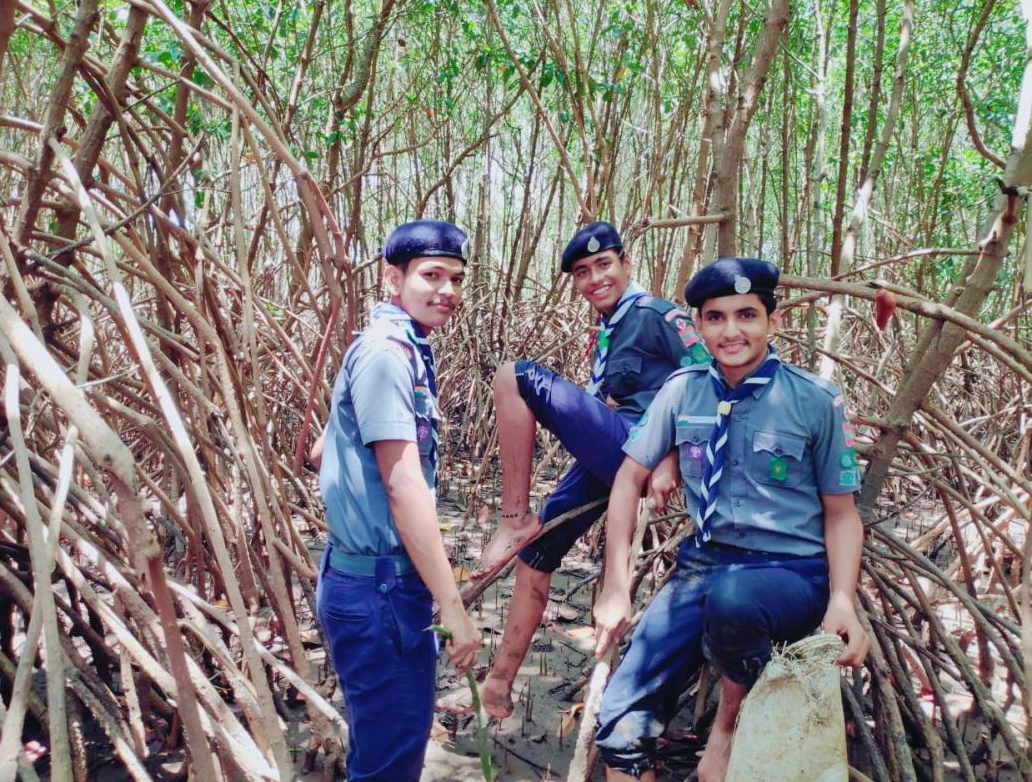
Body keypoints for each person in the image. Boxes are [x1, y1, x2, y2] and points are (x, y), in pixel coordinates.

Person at [592, 257, 871, 782]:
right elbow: (628, 480)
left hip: (791, 570)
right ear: (698, 326)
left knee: (734, 601)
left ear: (773, 320)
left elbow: (841, 514)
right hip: (704, 562)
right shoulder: (683, 389)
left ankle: (726, 731)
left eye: (747, 314)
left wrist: (842, 601)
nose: (731, 331)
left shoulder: (814, 400)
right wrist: (614, 587)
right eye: (716, 318)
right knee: (621, 715)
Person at [474, 221, 705, 719]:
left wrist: (672, 458)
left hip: (636, 449)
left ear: (625, 263)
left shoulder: (656, 314)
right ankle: (499, 681)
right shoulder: (612, 327)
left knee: (516, 376)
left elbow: (707, 378)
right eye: (582, 272)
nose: (595, 278)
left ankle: (513, 514)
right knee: (537, 553)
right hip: (615, 457)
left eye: (604, 265)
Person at [314, 220, 482, 781]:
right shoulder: (388, 355)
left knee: (382, 741)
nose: (448, 291)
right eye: (432, 276)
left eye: (456, 278)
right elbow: (403, 486)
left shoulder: (396, 348)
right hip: (379, 590)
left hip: (368, 582)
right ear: (393, 278)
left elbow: (322, 448)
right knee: (392, 757)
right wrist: (453, 609)